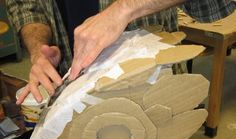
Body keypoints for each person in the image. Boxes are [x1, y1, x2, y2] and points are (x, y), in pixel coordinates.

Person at [6, 0, 235, 104]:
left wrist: (125, 8)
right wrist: (38, 50)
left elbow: (216, 6)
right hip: (74, 88)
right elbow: (25, 5)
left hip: (151, 89)